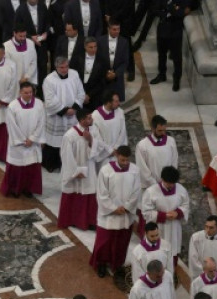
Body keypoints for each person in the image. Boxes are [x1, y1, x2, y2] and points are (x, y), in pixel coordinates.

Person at [90, 145, 140, 279]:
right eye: (122, 160)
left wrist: (127, 206)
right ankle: (101, 264)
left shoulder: (134, 170)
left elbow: (136, 192)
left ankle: (117, 264)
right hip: (109, 215)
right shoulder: (106, 171)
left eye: (127, 160)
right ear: (117, 156)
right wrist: (113, 208)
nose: (125, 163)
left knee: (121, 241)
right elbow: (101, 193)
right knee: (104, 241)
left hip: (125, 214)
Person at [58, 108, 110, 229]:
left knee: (90, 194)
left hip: (89, 168)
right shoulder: (70, 135)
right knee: (74, 194)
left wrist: (91, 140)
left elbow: (100, 146)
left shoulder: (93, 130)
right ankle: (72, 220)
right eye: (89, 118)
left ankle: (89, 222)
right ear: (82, 120)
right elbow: (66, 156)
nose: (92, 119)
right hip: (75, 171)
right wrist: (75, 171)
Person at [140, 166, 189, 274]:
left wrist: (178, 213)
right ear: (162, 179)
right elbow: (146, 212)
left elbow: (185, 205)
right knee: (157, 253)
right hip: (158, 228)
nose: (170, 185)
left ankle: (170, 274)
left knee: (172, 251)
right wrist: (164, 216)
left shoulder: (181, 190)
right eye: (168, 183)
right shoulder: (151, 192)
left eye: (173, 183)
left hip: (174, 227)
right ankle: (153, 274)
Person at [1, 82, 46, 198]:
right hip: (18, 144)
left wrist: (33, 139)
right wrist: (22, 140)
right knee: (17, 168)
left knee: (31, 167)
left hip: (33, 143)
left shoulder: (39, 104)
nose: (29, 95)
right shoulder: (13, 106)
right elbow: (11, 125)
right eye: (26, 93)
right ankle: (15, 189)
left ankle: (29, 188)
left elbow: (42, 123)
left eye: (31, 92)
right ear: (20, 92)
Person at [41, 56, 85, 172]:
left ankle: (68, 164)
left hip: (72, 115)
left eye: (66, 66)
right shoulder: (49, 80)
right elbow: (50, 100)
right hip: (57, 117)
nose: (65, 69)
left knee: (70, 140)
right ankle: (52, 164)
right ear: (56, 67)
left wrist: (74, 107)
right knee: (54, 143)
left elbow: (80, 92)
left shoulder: (74, 74)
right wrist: (65, 110)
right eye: (62, 67)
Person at [149, 0, 190, 92]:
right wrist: (170, 11)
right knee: (161, 55)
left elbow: (182, 13)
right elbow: (154, 10)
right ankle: (162, 74)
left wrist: (168, 8)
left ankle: (176, 79)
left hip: (175, 33)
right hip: (162, 30)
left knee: (177, 57)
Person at [135, 115, 179, 193]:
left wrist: (169, 181)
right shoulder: (142, 145)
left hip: (168, 185)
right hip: (151, 187)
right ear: (152, 128)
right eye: (160, 130)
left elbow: (174, 161)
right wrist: (155, 184)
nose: (163, 133)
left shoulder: (171, 141)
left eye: (164, 130)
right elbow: (142, 168)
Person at [15, 0, 50, 87]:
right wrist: (30, 37)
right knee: (29, 68)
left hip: (42, 44)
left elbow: (48, 22)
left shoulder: (42, 6)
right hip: (27, 45)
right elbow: (17, 28)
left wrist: (46, 33)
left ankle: (42, 92)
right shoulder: (20, 9)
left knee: (42, 68)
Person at [90, 90, 126, 169]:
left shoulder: (120, 112)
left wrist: (116, 148)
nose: (119, 103)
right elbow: (96, 137)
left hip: (118, 152)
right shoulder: (95, 116)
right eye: (116, 101)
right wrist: (110, 150)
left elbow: (123, 132)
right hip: (104, 154)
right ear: (109, 102)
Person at [98, 19, 130, 102]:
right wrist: (106, 72)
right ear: (108, 29)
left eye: (118, 29)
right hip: (104, 77)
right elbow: (98, 60)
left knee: (116, 102)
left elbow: (125, 62)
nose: (117, 31)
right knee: (103, 101)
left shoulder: (124, 42)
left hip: (117, 78)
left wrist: (115, 74)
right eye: (114, 29)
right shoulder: (100, 41)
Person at [77, 38, 108, 106]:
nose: (93, 49)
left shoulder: (102, 60)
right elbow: (74, 77)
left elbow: (102, 81)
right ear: (85, 47)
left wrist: (89, 95)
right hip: (78, 92)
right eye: (91, 47)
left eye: (95, 47)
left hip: (95, 95)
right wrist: (81, 94)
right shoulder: (78, 58)